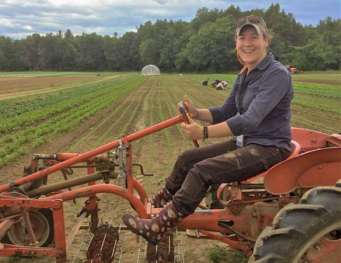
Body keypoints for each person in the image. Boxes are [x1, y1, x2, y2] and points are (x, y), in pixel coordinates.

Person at [122, 15, 294, 246]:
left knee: (202, 171)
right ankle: (159, 204)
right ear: (236, 43)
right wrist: (196, 113)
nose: (248, 43)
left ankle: (160, 226)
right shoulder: (245, 74)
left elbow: (250, 119)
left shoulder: (276, 74)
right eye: (242, 38)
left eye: (254, 37)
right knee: (187, 159)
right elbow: (226, 110)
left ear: (265, 40)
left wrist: (203, 133)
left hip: (269, 146)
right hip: (247, 142)